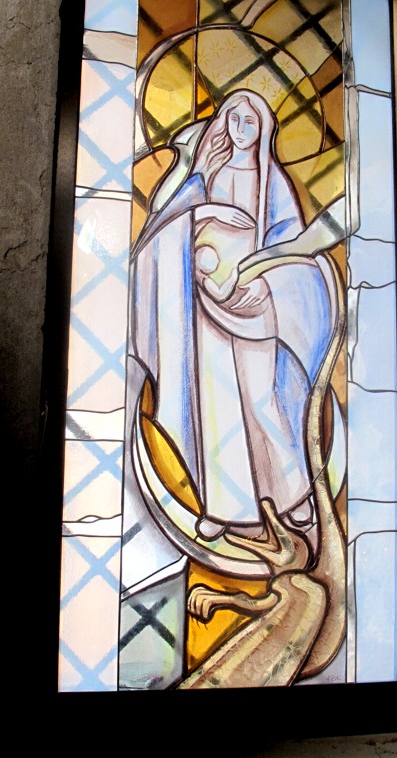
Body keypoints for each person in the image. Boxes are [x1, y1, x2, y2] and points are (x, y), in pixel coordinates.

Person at [131, 90, 339, 542]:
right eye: (233, 119)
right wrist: (200, 244)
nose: (240, 130)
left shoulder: (273, 181)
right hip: (207, 304)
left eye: (250, 122)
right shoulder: (208, 172)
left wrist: (257, 278)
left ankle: (294, 497)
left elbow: (289, 243)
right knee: (216, 408)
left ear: (263, 130)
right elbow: (170, 225)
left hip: (255, 304)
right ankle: (224, 509)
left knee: (265, 401)